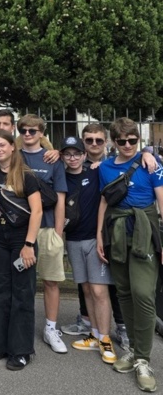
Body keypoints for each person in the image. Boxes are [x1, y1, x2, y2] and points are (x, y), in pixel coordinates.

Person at [61, 121, 155, 349]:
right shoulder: (92, 167)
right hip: (91, 234)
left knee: (113, 286)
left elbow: (134, 152)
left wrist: (148, 152)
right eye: (89, 140)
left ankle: (122, 328)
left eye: (98, 140)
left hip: (120, 231)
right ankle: (92, 326)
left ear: (106, 142)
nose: (94, 144)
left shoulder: (114, 165)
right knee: (92, 285)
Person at [97, 117, 163, 393]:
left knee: (144, 293)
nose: (127, 145)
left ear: (139, 139)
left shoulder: (152, 164)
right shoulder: (106, 167)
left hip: (143, 231)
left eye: (132, 140)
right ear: (113, 142)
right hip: (116, 231)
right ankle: (134, 351)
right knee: (123, 291)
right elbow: (104, 200)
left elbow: (162, 199)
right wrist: (100, 234)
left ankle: (144, 359)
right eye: (121, 141)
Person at [0, 130, 42, 370]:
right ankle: (1, 345)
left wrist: (28, 244)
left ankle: (22, 349)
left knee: (22, 293)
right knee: (0, 291)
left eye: (2, 145)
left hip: (21, 237)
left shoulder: (26, 176)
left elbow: (36, 212)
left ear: (11, 147)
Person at [59, 136, 116, 365]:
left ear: (84, 155)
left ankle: (105, 338)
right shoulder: (60, 177)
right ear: (63, 156)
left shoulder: (95, 172)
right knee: (87, 290)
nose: (72, 158)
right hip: (72, 240)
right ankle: (94, 334)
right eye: (68, 154)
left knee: (100, 291)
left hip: (94, 239)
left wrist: (149, 155)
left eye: (76, 154)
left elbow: (121, 162)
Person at [17, 114, 68, 354]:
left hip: (46, 228)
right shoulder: (14, 156)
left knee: (50, 280)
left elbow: (60, 198)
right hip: (20, 229)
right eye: (24, 130)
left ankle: (50, 327)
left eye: (33, 131)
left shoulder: (52, 159)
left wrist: (58, 232)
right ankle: (19, 326)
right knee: (20, 282)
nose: (28, 134)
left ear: (41, 133)